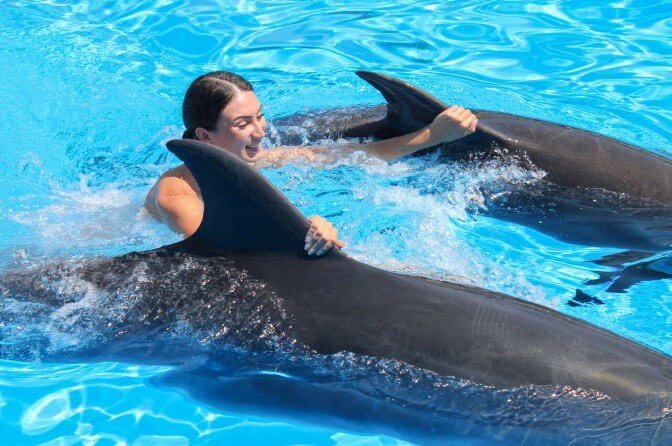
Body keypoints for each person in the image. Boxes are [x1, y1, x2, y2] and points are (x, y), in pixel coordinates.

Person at [145, 71, 478, 256]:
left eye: (260, 116)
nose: (261, 131)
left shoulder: (253, 161)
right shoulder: (176, 196)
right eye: (244, 123)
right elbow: (226, 253)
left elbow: (349, 156)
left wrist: (432, 135)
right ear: (205, 136)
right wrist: (303, 231)